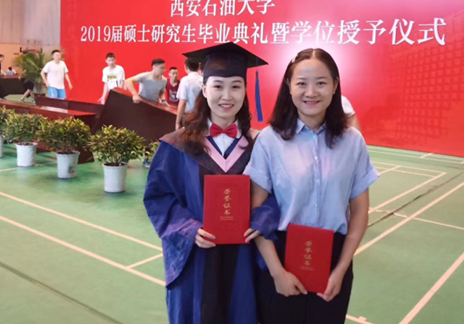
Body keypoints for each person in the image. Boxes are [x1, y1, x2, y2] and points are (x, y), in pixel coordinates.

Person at [144, 43, 279, 324]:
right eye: (218, 86)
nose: (226, 96)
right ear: (204, 89)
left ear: (245, 90)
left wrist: (263, 219)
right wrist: (188, 229)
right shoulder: (176, 145)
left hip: (245, 258)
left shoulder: (261, 145)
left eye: (235, 86)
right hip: (196, 258)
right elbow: (158, 197)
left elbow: (280, 195)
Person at [245, 48, 379, 324]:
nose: (311, 92)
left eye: (320, 82)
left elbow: (359, 212)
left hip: (333, 259)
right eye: (301, 83)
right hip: (280, 257)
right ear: (288, 85)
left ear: (335, 86)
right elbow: (255, 211)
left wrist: (341, 269)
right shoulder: (269, 140)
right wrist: (277, 272)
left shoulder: (353, 142)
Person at [175, 57, 203, 130]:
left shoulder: (185, 80)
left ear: (186, 67)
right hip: (203, 116)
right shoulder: (203, 80)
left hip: (189, 117)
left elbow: (183, 102)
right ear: (199, 66)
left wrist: (177, 122)